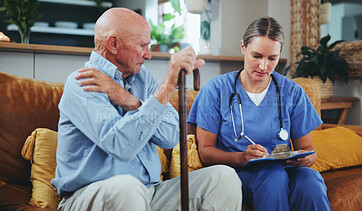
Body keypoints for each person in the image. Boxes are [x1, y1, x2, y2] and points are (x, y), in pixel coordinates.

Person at [51, 7, 242, 211]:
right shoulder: (82, 82)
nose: (148, 55)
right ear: (113, 44)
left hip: (149, 192)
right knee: (128, 188)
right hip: (89, 195)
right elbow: (120, 146)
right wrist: (168, 85)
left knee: (223, 177)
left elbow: (171, 135)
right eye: (142, 45)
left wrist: (132, 102)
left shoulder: (143, 78)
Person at [188, 16, 330, 211]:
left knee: (310, 179)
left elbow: (307, 148)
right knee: (272, 177)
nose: (264, 66)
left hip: (281, 169)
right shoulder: (216, 90)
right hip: (237, 172)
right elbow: (205, 152)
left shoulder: (292, 92)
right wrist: (242, 157)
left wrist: (306, 158)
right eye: (257, 56)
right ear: (243, 47)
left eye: (272, 59)